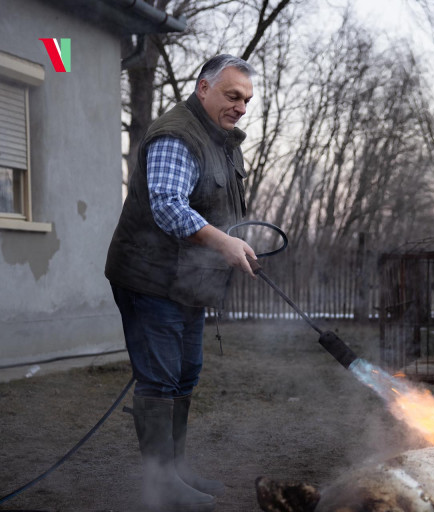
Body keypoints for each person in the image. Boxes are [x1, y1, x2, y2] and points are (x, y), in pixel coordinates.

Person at [105, 54, 258, 512]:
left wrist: (234, 245)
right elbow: (168, 206)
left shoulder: (225, 142)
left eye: (247, 100)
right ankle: (159, 486)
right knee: (161, 379)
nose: (241, 107)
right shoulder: (177, 135)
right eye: (233, 96)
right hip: (150, 278)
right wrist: (224, 244)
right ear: (203, 88)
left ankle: (176, 470)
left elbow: (213, 205)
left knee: (186, 373)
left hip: (188, 282)